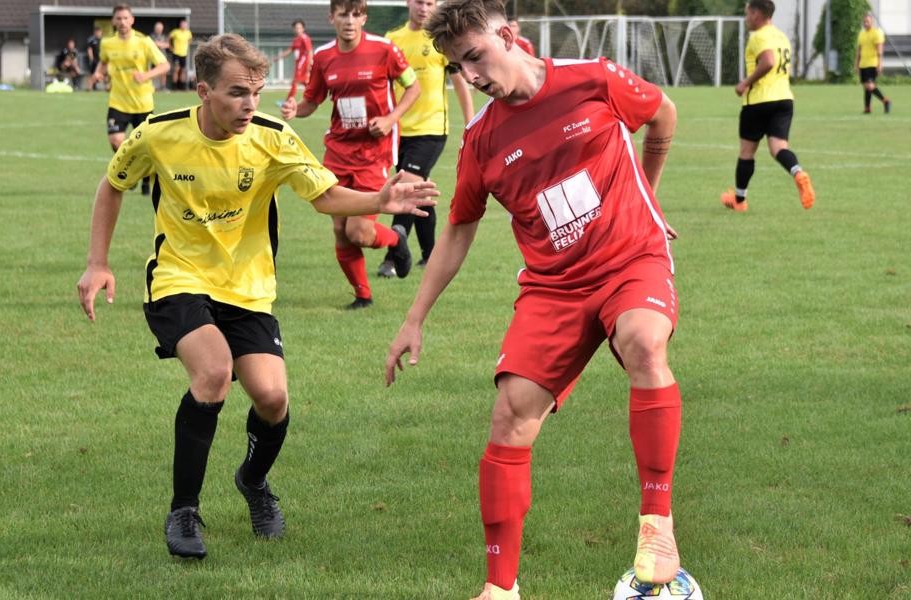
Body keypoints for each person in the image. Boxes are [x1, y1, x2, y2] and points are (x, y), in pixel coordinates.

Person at [76, 33, 437, 560]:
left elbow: (325, 195)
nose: (249, 105)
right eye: (236, 93)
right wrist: (97, 263)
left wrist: (379, 199)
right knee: (214, 372)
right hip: (179, 278)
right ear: (203, 91)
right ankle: (184, 511)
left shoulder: (272, 137)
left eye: (256, 92)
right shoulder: (158, 134)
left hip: (248, 288)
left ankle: (253, 481)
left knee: (272, 400)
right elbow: (112, 184)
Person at [384, 1, 684, 598]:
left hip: (630, 259)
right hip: (552, 287)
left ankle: (657, 525)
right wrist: (414, 317)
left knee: (644, 342)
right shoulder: (481, 141)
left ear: (509, 35)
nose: (469, 76)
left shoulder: (593, 79)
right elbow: (459, 231)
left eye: (474, 57)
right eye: (456, 67)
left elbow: (663, 115)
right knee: (510, 417)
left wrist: (647, 195)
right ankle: (500, 588)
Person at [281, 0, 422, 309]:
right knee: (339, 230)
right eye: (343, 14)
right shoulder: (323, 56)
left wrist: (389, 119)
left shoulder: (384, 49)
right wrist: (296, 109)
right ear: (332, 17)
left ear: (364, 18)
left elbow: (413, 88)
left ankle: (397, 240)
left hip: (374, 154)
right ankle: (363, 296)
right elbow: (311, 101)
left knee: (357, 230)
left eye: (356, 14)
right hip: (338, 152)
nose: (349, 20)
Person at [376, 0, 474, 279]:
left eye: (430, 3)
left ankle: (393, 256)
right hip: (399, 131)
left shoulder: (440, 39)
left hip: (431, 130)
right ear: (409, 3)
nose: (424, 8)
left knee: (407, 186)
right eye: (420, 2)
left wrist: (470, 125)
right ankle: (431, 254)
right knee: (419, 194)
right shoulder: (392, 40)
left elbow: (460, 84)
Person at [721, 0, 814, 213]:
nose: (746, 19)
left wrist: (745, 82)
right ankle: (798, 172)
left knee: (746, 152)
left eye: (747, 14)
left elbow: (769, 61)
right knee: (779, 149)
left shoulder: (758, 36)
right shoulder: (781, 36)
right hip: (784, 99)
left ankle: (740, 200)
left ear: (756, 14)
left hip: (759, 101)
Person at [91, 4, 169, 196]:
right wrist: (97, 74)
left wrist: (146, 75)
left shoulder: (144, 42)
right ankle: (133, 172)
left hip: (142, 103)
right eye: (119, 18)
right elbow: (103, 62)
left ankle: (142, 177)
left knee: (145, 145)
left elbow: (164, 65)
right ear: (114, 21)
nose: (123, 22)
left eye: (126, 18)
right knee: (116, 140)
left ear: (132, 20)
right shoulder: (107, 44)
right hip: (118, 101)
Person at [856, 13, 891, 114]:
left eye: (868, 22)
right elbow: (859, 50)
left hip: (872, 63)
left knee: (870, 85)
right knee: (866, 86)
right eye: (864, 22)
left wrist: (880, 64)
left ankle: (885, 101)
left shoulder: (876, 33)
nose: (866, 23)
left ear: (872, 22)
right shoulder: (861, 34)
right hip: (863, 64)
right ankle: (867, 107)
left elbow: (879, 50)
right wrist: (856, 63)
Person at [276, 20, 314, 105]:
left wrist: (309, 64)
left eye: (299, 28)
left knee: (295, 81)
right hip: (299, 63)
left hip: (303, 62)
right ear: (293, 29)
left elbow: (310, 51)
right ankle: (313, 97)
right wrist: (279, 57)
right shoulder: (296, 39)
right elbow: (290, 50)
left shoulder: (305, 38)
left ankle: (288, 101)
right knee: (305, 82)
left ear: (303, 29)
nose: (298, 29)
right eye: (296, 28)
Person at [169, 19, 194, 91]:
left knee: (183, 70)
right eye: (182, 24)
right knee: (176, 69)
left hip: (184, 54)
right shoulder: (175, 32)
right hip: (176, 53)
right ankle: (174, 86)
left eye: (185, 24)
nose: (183, 26)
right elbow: (169, 38)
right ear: (180, 25)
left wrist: (187, 45)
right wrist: (171, 46)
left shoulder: (188, 33)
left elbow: (190, 39)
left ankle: (181, 86)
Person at [151, 21, 171, 91]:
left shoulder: (164, 36)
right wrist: (161, 44)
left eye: (160, 28)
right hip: (154, 57)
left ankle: (163, 87)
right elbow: (152, 44)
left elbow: (168, 45)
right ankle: (152, 87)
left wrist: (159, 44)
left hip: (163, 57)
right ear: (155, 29)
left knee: (163, 72)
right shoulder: (152, 36)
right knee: (153, 72)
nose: (159, 30)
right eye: (157, 28)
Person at [86, 26, 103, 90]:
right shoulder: (92, 40)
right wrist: (91, 58)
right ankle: (90, 87)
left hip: (101, 60)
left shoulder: (103, 40)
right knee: (93, 73)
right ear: (95, 32)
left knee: (101, 74)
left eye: (99, 32)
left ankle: (107, 86)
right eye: (97, 32)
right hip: (95, 60)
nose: (98, 33)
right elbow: (89, 49)